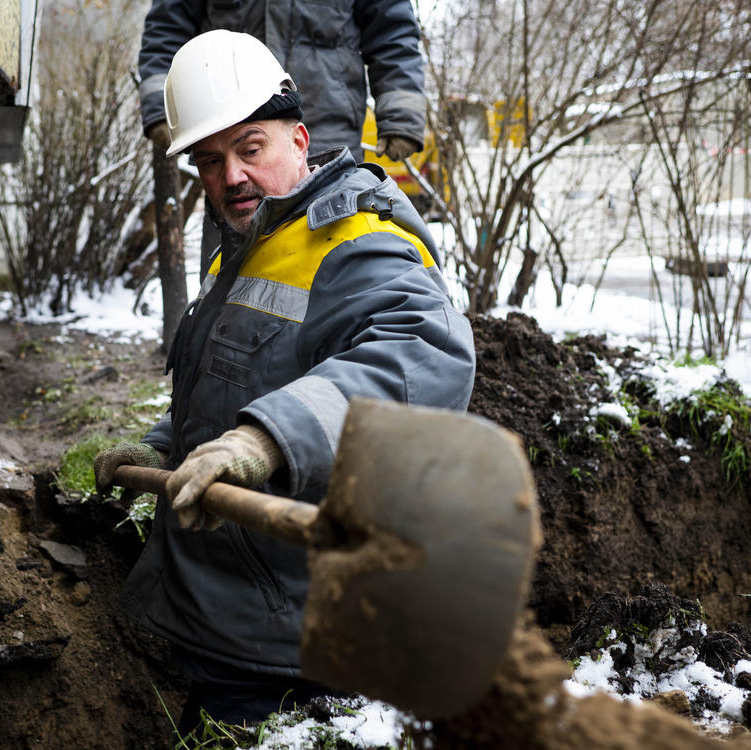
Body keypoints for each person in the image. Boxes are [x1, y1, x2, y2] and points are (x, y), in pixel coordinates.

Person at [95, 30, 475, 738]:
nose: (230, 176)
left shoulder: (356, 240)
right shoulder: (246, 248)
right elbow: (222, 396)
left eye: (250, 149)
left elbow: (425, 353)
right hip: (227, 606)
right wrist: (154, 451)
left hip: (292, 637)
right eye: (210, 161)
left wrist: (267, 439)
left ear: (300, 139)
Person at [137, 0, 428, 162]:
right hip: (231, 144)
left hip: (327, 141)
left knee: (335, 257)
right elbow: (167, 28)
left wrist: (401, 115)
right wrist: (162, 109)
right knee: (235, 264)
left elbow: (392, 34)